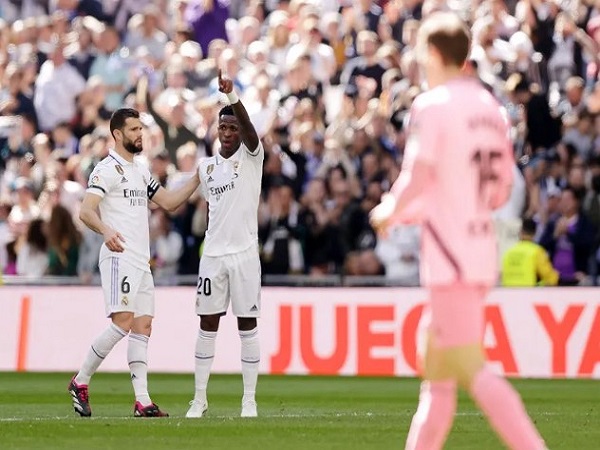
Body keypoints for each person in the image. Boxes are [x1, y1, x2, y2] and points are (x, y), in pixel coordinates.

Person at [369, 12, 546, 450]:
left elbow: (418, 174)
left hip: (449, 256)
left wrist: (389, 210)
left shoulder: (434, 105)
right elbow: (502, 188)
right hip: (480, 248)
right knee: (438, 379)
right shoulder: (490, 107)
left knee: (471, 368)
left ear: (432, 53)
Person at [68, 107, 201, 418]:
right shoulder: (106, 169)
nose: (139, 135)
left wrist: (197, 178)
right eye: (133, 130)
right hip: (119, 257)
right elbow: (86, 211)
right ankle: (80, 380)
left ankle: (142, 401)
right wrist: (106, 230)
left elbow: (168, 202)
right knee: (123, 323)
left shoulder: (140, 170)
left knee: (143, 327)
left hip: (142, 261)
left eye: (140, 129)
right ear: (117, 134)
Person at [186, 70, 263, 419]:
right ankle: (199, 399)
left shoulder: (252, 157)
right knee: (207, 324)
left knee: (247, 325)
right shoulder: (206, 168)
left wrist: (232, 98)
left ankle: (249, 400)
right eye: (224, 128)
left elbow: (250, 130)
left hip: (245, 254)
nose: (229, 133)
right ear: (217, 131)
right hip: (213, 256)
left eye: (233, 128)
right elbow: (212, 210)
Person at [502, 217, 559, 286]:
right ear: (535, 233)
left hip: (507, 292)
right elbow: (550, 278)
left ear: (520, 232)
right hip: (527, 292)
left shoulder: (509, 251)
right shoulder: (536, 251)